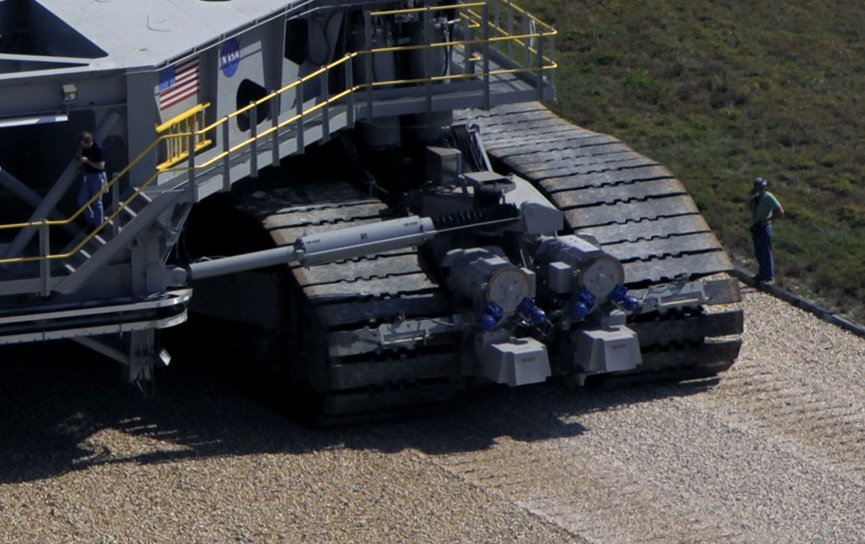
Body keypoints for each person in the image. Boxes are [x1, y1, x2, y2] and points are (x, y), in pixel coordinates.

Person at [749, 177, 784, 284]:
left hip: (764, 227)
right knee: (758, 252)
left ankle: (769, 276)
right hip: (755, 226)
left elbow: (780, 212)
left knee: (765, 251)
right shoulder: (755, 198)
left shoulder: (769, 197)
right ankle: (762, 273)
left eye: (759, 186)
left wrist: (767, 220)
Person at [76, 131, 107, 230]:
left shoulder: (98, 149)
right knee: (82, 201)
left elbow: (101, 166)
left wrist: (87, 161)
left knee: (97, 202)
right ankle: (93, 221)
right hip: (89, 175)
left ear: (86, 142)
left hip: (98, 176)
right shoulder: (85, 149)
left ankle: (99, 225)